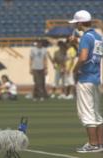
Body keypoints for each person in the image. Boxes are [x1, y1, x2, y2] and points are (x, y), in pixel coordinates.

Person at [69, 10, 103, 153]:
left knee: (87, 113)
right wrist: (77, 44)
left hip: (86, 78)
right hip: (95, 78)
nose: (75, 25)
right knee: (96, 113)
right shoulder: (98, 36)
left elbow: (83, 57)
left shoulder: (85, 37)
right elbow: (93, 55)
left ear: (80, 23)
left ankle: (93, 144)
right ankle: (100, 143)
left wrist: (75, 69)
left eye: (76, 22)